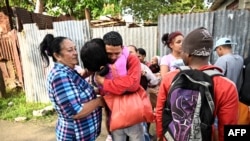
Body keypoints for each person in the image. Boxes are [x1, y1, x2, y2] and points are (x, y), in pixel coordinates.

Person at [155, 27, 239, 141]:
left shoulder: (170, 78)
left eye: (182, 51)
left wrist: (161, 136)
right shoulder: (227, 86)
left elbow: (160, 113)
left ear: (188, 54)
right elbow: (229, 127)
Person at [39, 34, 105, 141]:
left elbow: (79, 89)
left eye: (75, 49)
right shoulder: (60, 76)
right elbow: (76, 112)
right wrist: (99, 101)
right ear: (57, 56)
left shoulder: (69, 71)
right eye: (70, 50)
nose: (75, 53)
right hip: (74, 136)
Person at [94, 31, 154, 141]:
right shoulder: (101, 59)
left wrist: (105, 82)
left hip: (132, 112)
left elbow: (133, 85)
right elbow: (95, 78)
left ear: (122, 47)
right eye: (109, 54)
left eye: (117, 53)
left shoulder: (132, 59)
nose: (113, 57)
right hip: (113, 113)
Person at [213, 37, 249, 126]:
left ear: (220, 48)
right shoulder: (240, 59)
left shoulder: (222, 60)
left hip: (222, 99)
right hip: (236, 98)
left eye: (217, 50)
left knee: (219, 123)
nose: (217, 53)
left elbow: (215, 81)